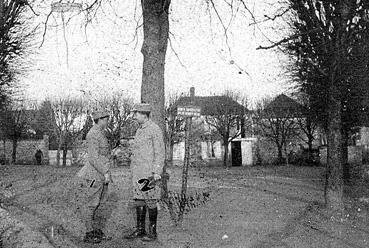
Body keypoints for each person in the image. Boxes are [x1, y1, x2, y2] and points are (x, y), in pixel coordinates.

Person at [124, 103, 165, 242]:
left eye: (136, 114)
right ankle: (140, 230)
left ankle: (152, 233)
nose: (134, 116)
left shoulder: (154, 129)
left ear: (144, 115)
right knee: (139, 200)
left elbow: (160, 152)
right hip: (137, 172)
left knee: (151, 201)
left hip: (148, 173)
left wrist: (157, 171)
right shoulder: (140, 130)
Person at [75, 110, 113, 244]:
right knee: (91, 204)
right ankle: (89, 233)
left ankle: (93, 230)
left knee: (97, 203)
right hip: (93, 175)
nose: (107, 121)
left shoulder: (100, 133)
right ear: (100, 120)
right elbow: (93, 158)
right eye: (106, 119)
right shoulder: (93, 134)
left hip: (99, 175)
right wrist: (105, 172)